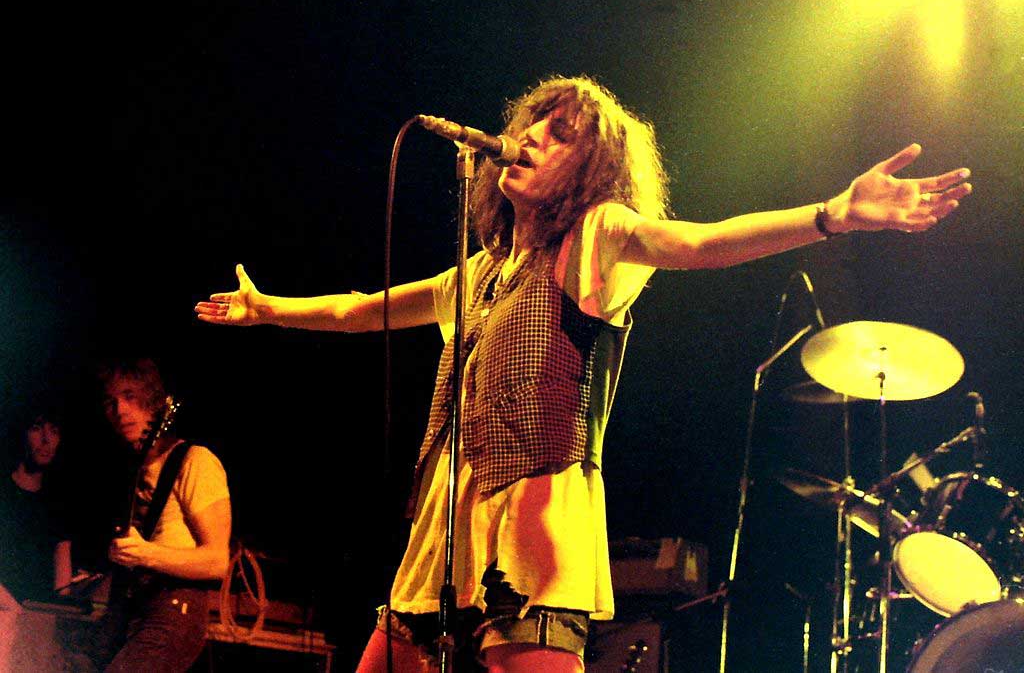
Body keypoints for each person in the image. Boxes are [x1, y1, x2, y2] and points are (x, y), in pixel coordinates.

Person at [194, 75, 971, 672]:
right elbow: (361, 309)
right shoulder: (483, 270)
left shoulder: (595, 239)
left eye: (557, 135)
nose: (528, 138)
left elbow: (697, 244)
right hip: (446, 526)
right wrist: (270, 309)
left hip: (537, 520)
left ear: (590, 169)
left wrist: (831, 213)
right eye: (530, 123)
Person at [96, 356, 231, 672]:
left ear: (154, 401)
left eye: (129, 396)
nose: (120, 410)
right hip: (133, 609)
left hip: (174, 609)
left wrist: (144, 554)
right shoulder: (131, 471)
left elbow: (216, 562)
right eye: (110, 401)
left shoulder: (195, 461)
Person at [0, 406, 73, 608]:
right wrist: (13, 608)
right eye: (36, 428)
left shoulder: (57, 500)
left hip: (38, 615)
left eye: (54, 431)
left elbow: (62, 559)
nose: (46, 440)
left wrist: (62, 608)